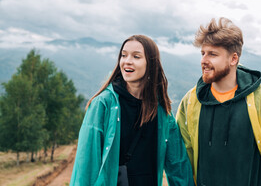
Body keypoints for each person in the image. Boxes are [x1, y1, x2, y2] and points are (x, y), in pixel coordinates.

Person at [176, 18, 261, 186]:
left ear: (233, 59)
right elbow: (183, 166)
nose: (204, 60)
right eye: (203, 53)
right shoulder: (191, 102)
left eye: (212, 54)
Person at [70, 35, 194, 186]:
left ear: (151, 64)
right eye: (123, 55)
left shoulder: (161, 111)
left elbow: (178, 166)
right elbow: (85, 166)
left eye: (136, 56)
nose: (127, 60)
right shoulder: (103, 104)